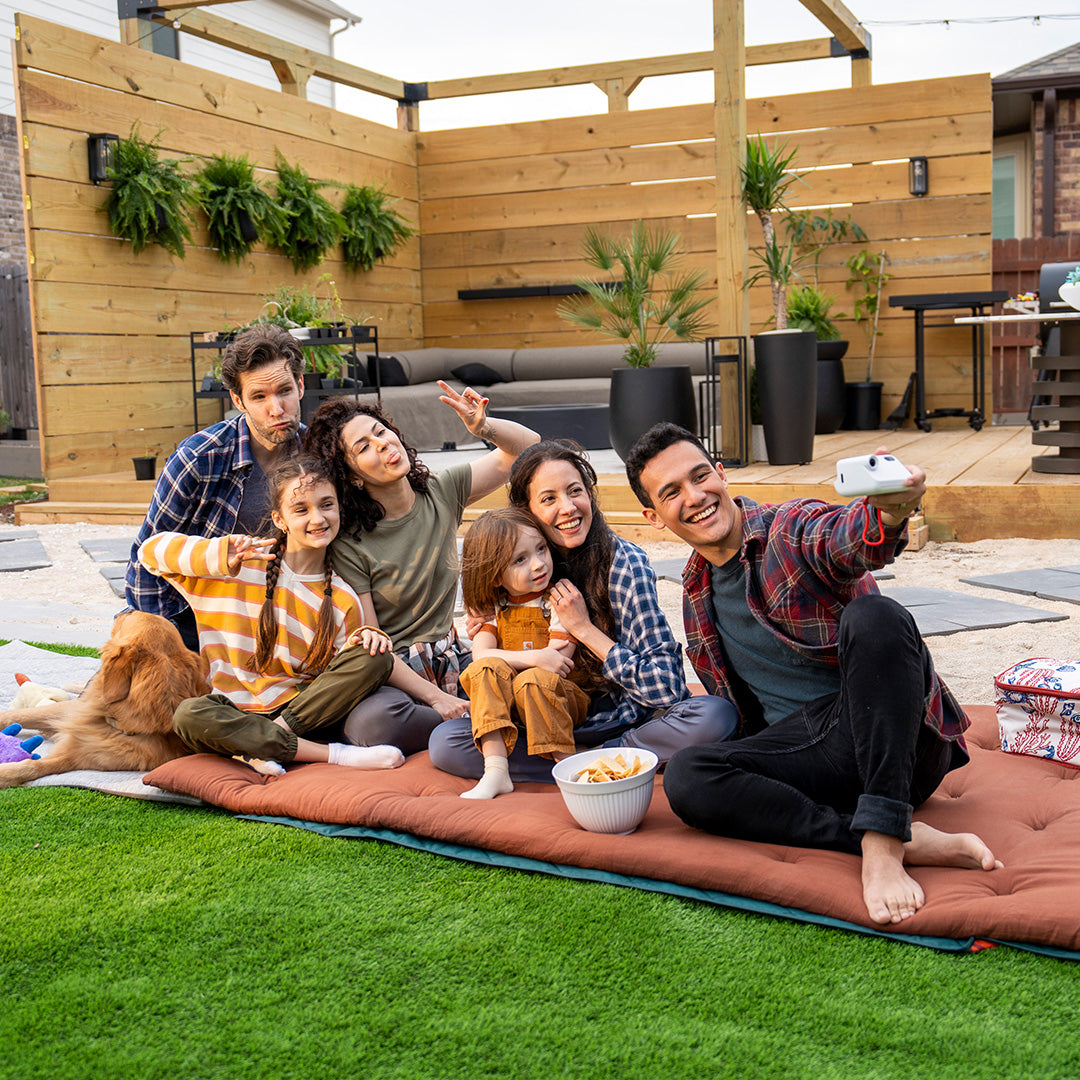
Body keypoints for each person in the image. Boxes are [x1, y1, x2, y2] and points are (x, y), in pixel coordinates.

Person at [624, 422, 1002, 926]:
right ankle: (868, 833)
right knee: (690, 775)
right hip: (814, 760)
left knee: (878, 618)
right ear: (653, 517)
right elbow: (748, 720)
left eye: (700, 476)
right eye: (672, 492)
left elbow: (845, 539)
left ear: (722, 474)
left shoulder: (788, 530)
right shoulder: (695, 593)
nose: (695, 497)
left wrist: (887, 513)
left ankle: (887, 840)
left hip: (895, 743)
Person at [429, 440, 738, 782]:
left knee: (713, 715)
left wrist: (586, 630)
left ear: (590, 494)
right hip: (535, 718)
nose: (568, 508)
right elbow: (487, 663)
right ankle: (584, 764)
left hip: (619, 720)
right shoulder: (510, 571)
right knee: (446, 743)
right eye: (548, 499)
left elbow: (667, 689)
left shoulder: (623, 564)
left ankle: (590, 759)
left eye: (575, 491)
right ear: (524, 508)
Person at [303, 385, 540, 754]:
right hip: (394, 676)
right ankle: (480, 721)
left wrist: (483, 428)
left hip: (452, 660)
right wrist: (436, 699)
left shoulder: (441, 491)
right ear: (350, 476)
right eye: (363, 447)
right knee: (373, 724)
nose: (381, 444)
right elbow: (372, 646)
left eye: (380, 432)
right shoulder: (350, 542)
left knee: (534, 679)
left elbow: (529, 449)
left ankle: (471, 723)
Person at [138, 455, 407, 774]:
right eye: (301, 509)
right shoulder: (238, 566)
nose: (318, 518)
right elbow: (149, 552)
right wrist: (218, 555)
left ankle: (267, 743)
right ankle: (334, 755)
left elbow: (338, 676)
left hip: (300, 712)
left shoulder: (343, 597)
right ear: (280, 519)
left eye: (326, 505)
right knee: (189, 714)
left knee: (372, 655)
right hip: (232, 713)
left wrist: (366, 640)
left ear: (339, 509)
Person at [125, 325, 306, 651]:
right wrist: (159, 642)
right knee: (133, 697)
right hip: (194, 614)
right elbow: (146, 558)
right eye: (259, 396)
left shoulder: (319, 454)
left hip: (283, 613)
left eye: (284, 391)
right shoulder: (199, 457)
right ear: (238, 400)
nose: (276, 409)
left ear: (301, 386)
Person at [453, 508, 589, 800]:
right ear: (493, 575)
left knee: (533, 681)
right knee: (483, 671)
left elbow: (557, 663)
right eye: (520, 560)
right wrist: (535, 657)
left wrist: (535, 661)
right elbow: (481, 657)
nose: (539, 564)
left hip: (561, 699)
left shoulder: (559, 600)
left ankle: (569, 767)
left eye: (541, 549)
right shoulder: (496, 608)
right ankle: (496, 770)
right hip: (514, 709)